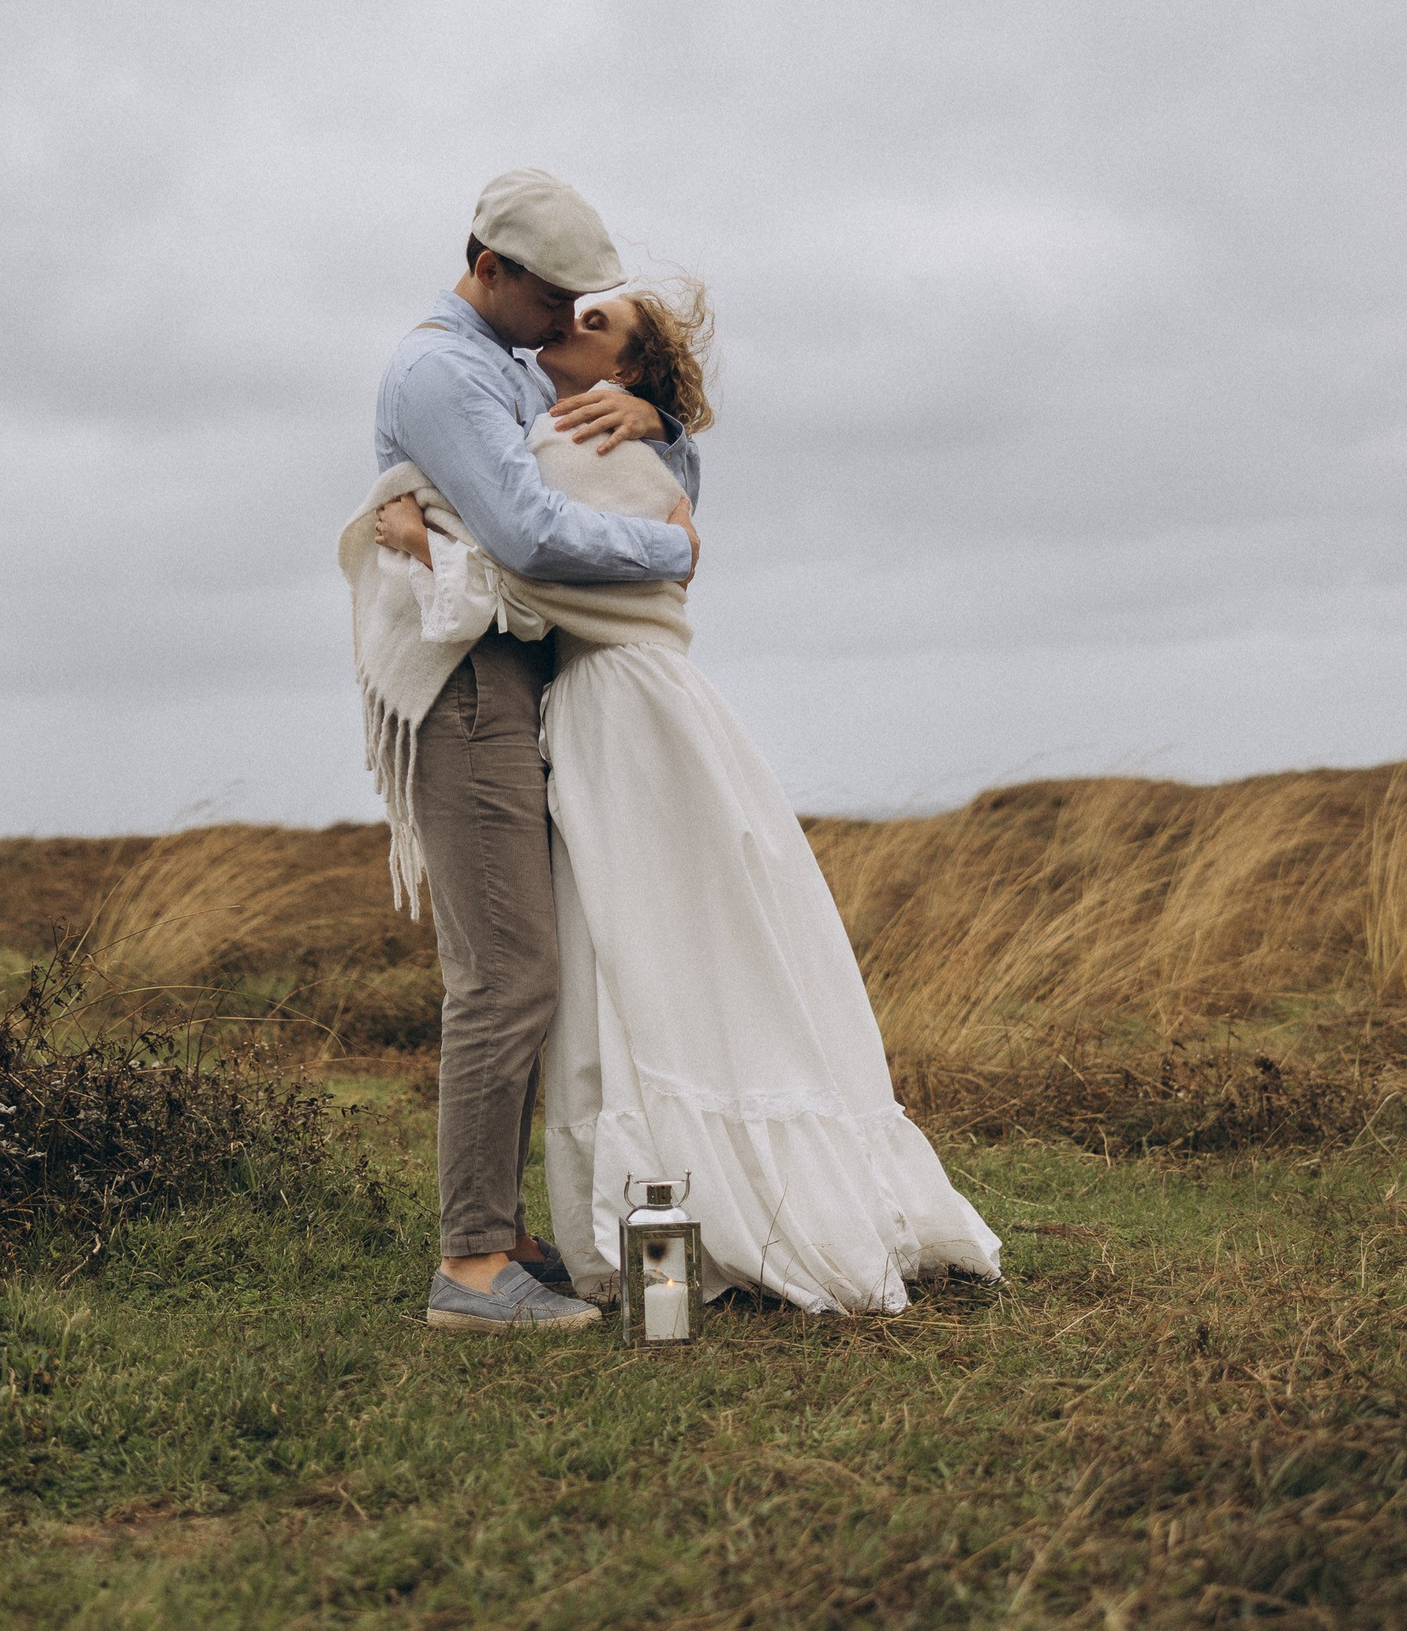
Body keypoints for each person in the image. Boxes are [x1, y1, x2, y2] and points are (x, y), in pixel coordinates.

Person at [367, 284, 1004, 1314]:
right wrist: (666, 427)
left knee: (633, 941)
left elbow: (527, 573)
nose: (575, 320)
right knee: (659, 942)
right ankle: (667, 1197)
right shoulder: (617, 438)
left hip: (618, 714)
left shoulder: (593, 447)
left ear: (624, 369)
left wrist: (420, 543)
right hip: (639, 705)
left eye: (600, 323)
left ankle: (621, 1218)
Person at [349, 169, 701, 1333]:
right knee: (504, 978)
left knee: (528, 974)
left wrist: (659, 428)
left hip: (509, 678)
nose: (564, 323)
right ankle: (471, 1267)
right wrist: (667, 549)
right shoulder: (443, 370)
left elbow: (611, 456)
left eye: (580, 305)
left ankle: (500, 1235)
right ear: (488, 270)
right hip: (463, 686)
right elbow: (525, 530)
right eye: (551, 299)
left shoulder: (505, 362)